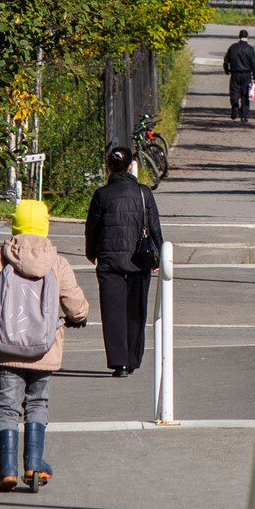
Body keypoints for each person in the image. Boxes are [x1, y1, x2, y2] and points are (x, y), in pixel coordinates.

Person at [0, 199, 88, 493]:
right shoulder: (55, 260)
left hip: (6, 347)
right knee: (37, 403)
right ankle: (34, 463)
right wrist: (79, 316)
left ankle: (8, 471)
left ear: (14, 224)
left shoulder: (0, 256)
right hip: (43, 347)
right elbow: (73, 301)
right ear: (45, 224)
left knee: (7, 406)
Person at [85, 146, 162, 378]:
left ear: (109, 167)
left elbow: (92, 227)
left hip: (109, 261)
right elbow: (155, 227)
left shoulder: (101, 195)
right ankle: (133, 358)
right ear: (131, 167)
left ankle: (119, 364)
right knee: (136, 310)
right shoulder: (143, 193)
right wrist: (158, 255)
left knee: (113, 311)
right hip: (139, 259)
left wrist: (92, 252)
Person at [224, 28, 255, 123]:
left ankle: (235, 106)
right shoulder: (250, 49)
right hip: (246, 74)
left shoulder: (233, 47)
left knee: (234, 92)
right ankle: (244, 116)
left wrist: (226, 70)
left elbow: (226, 60)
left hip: (235, 73)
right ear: (247, 37)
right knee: (245, 94)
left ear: (239, 36)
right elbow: (253, 63)